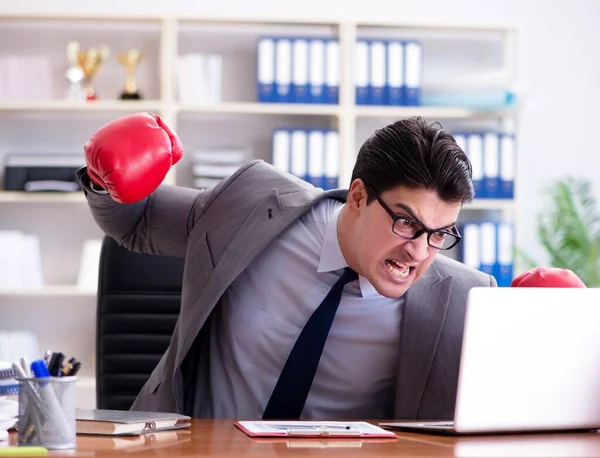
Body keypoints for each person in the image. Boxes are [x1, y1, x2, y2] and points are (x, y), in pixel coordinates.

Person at [77, 113, 496, 421]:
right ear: (357, 197)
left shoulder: (465, 300)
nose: (421, 252)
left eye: (440, 234)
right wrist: (105, 176)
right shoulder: (255, 203)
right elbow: (136, 222)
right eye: (406, 222)